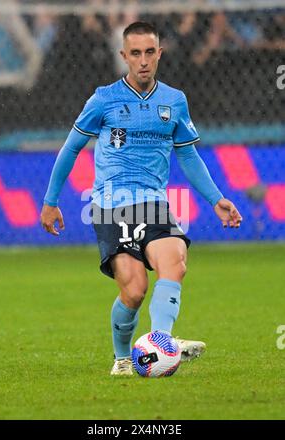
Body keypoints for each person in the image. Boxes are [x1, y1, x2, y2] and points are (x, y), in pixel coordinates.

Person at [40, 22, 242, 376]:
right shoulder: (103, 98)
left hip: (153, 203)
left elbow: (189, 155)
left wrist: (216, 198)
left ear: (159, 54)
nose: (143, 61)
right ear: (124, 56)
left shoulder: (174, 100)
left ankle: (161, 340)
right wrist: (50, 200)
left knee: (175, 259)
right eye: (136, 53)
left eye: (150, 52)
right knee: (134, 291)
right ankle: (121, 358)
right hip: (110, 205)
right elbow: (71, 148)